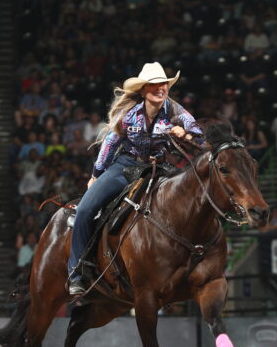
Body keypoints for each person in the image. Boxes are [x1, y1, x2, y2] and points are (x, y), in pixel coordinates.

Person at [67, 63, 202, 295]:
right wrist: (95, 176)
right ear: (143, 90)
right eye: (154, 85)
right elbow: (109, 145)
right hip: (126, 166)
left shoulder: (175, 111)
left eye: (164, 84)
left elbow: (200, 137)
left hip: (158, 168)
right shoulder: (129, 116)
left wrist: (186, 133)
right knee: (85, 209)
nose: (160, 88)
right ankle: (76, 272)